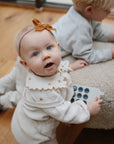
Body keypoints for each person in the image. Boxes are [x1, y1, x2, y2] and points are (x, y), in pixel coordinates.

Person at [11, 18, 103, 144]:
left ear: (58, 48)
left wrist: (70, 66)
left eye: (49, 47)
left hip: (24, 116)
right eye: (35, 54)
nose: (46, 55)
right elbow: (64, 112)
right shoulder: (42, 92)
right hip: (34, 133)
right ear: (25, 65)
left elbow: (58, 68)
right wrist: (87, 110)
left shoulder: (46, 68)